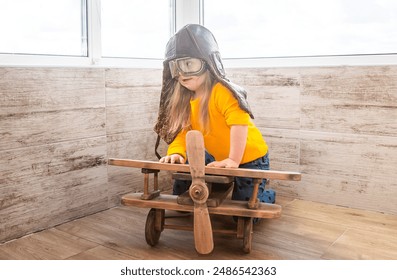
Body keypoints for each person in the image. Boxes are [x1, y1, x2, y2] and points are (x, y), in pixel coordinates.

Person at [153, 24, 275, 211]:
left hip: (251, 157)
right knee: (184, 165)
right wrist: (176, 153)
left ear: (207, 64)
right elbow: (184, 132)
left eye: (189, 64)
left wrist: (234, 160)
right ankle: (183, 198)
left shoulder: (222, 91)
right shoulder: (184, 98)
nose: (182, 73)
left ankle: (267, 196)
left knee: (244, 213)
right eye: (175, 66)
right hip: (218, 155)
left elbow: (239, 124)